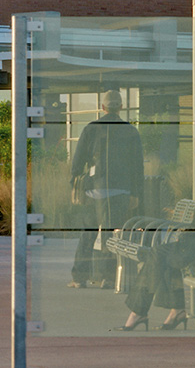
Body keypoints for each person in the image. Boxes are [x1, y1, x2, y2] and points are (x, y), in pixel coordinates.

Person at [116, 131, 195, 331]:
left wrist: (185, 236)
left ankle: (139, 312)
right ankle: (175, 312)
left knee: (159, 254)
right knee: (165, 254)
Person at [69, 90, 144, 288]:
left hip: (94, 191)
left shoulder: (91, 129)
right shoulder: (131, 131)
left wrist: (74, 184)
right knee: (113, 234)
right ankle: (109, 278)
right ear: (121, 107)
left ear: (103, 107)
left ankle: (79, 278)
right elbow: (137, 167)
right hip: (121, 191)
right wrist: (136, 194)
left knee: (88, 233)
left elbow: (77, 162)